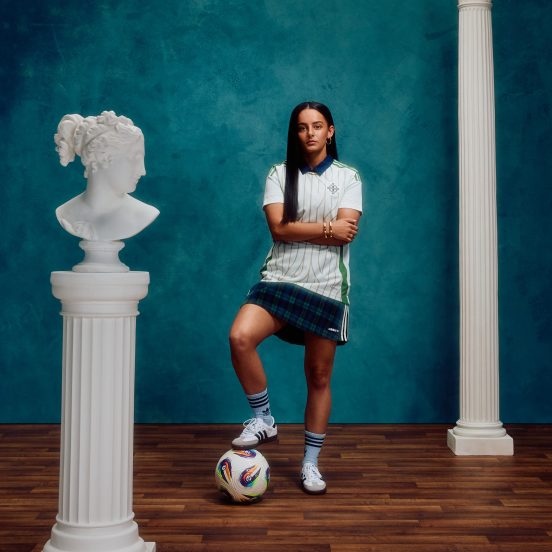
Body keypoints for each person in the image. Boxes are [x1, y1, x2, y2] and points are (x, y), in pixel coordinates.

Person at [229, 101, 363, 494]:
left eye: (317, 126)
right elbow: (278, 229)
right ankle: (264, 419)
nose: (310, 134)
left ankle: (310, 464)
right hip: (280, 278)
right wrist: (327, 228)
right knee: (240, 337)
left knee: (318, 377)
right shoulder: (279, 173)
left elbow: (347, 232)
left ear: (330, 131)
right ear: (295, 133)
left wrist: (301, 227)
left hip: (326, 286)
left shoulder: (348, 177)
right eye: (303, 127)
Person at [54, 110, 159, 242]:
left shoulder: (143, 214)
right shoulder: (66, 213)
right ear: (102, 156)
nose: (143, 171)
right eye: (135, 159)